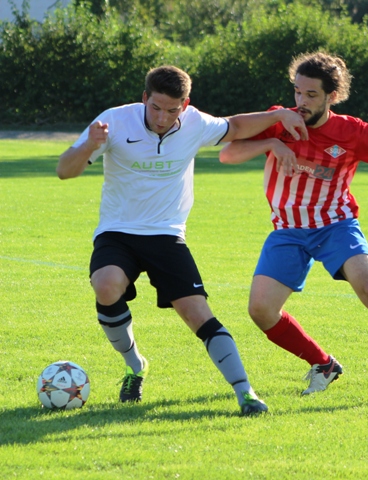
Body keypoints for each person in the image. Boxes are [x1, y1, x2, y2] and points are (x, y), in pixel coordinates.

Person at [56, 65, 308, 415]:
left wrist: (278, 115)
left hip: (167, 235)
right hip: (118, 231)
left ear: (185, 105)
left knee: (197, 314)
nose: (162, 118)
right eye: (156, 107)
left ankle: (246, 394)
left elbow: (235, 127)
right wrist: (89, 145)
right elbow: (64, 170)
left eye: (172, 110)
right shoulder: (113, 121)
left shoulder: (194, 123)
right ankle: (135, 365)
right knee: (106, 285)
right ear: (145, 98)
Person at [219, 51, 368, 396]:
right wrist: (271, 141)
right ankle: (324, 364)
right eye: (297, 91)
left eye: (311, 94)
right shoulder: (279, 121)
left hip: (336, 225)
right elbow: (227, 154)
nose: (301, 101)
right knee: (261, 310)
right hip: (287, 229)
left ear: (331, 96)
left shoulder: (352, 131)